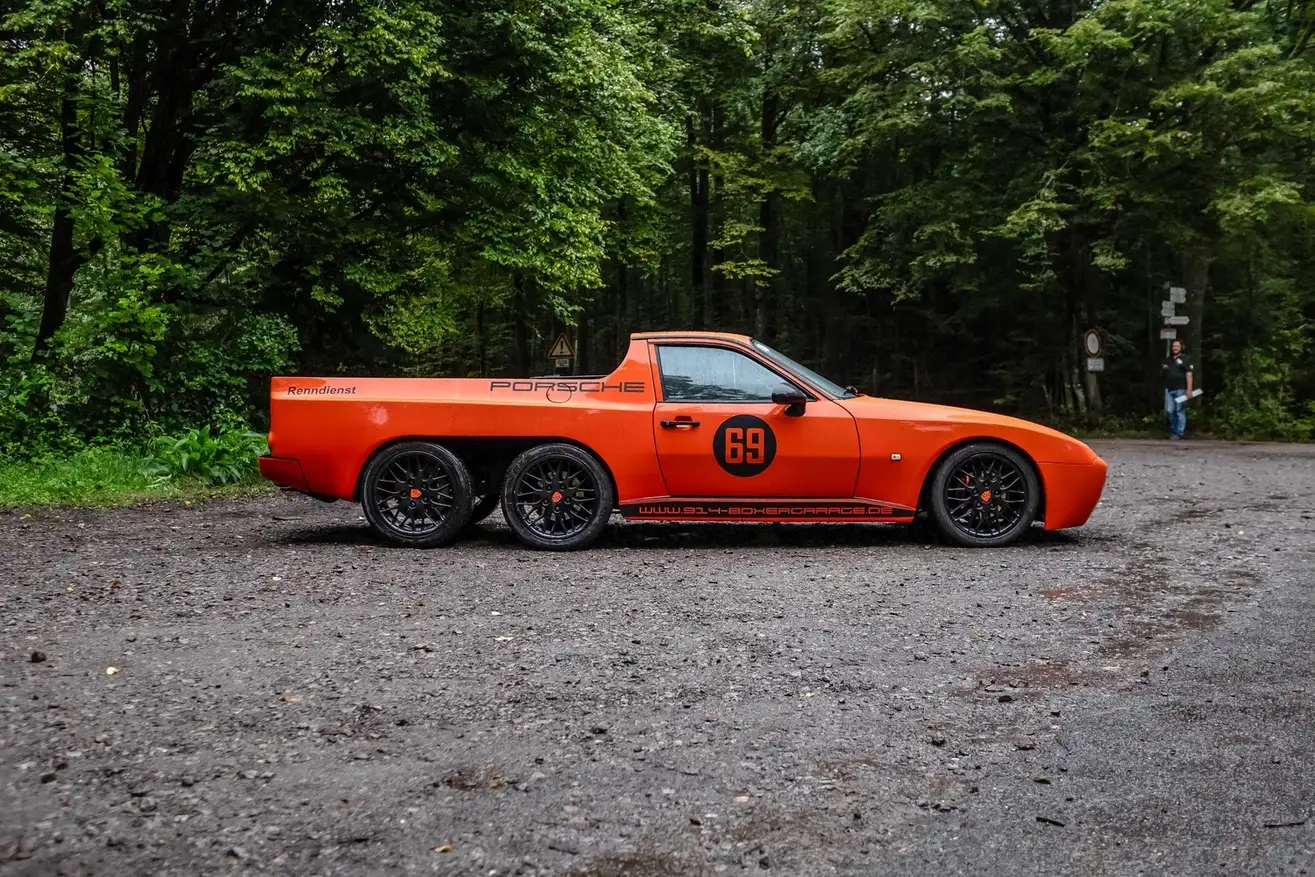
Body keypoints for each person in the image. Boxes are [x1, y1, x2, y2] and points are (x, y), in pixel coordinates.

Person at [1161, 339, 1194, 440]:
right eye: (1174, 346)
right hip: (1170, 388)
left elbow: (1189, 374)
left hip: (1181, 388)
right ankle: (1174, 430)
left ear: (1181, 347)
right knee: (1170, 411)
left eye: (1177, 346)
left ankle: (1179, 432)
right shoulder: (1168, 359)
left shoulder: (1186, 359)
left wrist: (1189, 389)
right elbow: (1164, 373)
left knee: (1180, 410)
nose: (1175, 348)